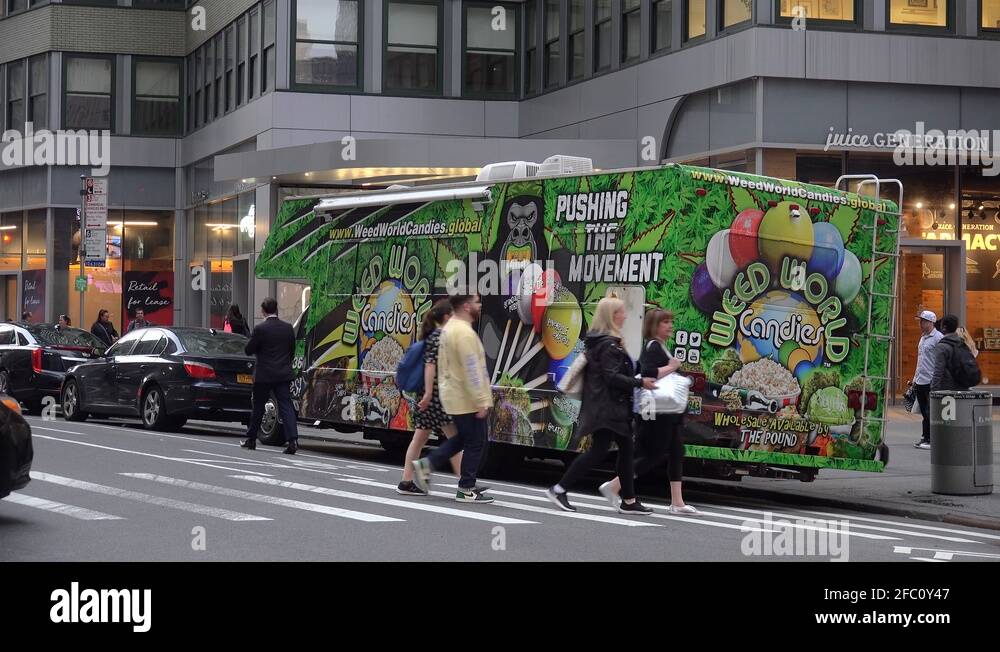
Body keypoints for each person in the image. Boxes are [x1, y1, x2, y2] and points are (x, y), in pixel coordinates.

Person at [545, 296, 657, 514]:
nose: (625, 315)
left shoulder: (606, 342)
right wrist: (640, 382)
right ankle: (559, 489)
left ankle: (629, 500)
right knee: (599, 451)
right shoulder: (608, 345)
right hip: (607, 409)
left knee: (625, 450)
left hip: (609, 407)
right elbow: (612, 377)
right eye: (621, 312)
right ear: (612, 316)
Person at [597, 309, 702, 515]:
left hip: (669, 411)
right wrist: (672, 367)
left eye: (671, 321)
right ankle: (615, 486)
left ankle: (677, 502)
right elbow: (647, 373)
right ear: (654, 326)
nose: (670, 325)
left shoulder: (661, 346)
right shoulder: (653, 347)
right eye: (665, 322)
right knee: (652, 454)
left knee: (676, 452)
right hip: (658, 410)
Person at [411, 294, 495, 503]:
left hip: (453, 394)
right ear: (466, 306)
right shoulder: (464, 333)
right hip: (466, 397)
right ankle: (466, 488)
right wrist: (482, 399)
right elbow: (472, 369)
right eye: (476, 302)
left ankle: (427, 465)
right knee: (476, 442)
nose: (479, 305)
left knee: (463, 439)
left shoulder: (449, 329)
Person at [397, 300, 462, 495]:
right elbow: (430, 366)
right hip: (436, 398)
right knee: (456, 440)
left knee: (420, 440)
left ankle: (406, 481)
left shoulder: (434, 336)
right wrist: (427, 393)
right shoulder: (440, 337)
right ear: (446, 317)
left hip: (431, 397)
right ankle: (465, 483)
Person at [241, 298, 299, 454]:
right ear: (276, 310)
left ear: (263, 311)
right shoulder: (288, 328)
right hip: (283, 373)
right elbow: (291, 351)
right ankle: (293, 440)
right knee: (286, 406)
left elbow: (249, 349)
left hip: (264, 375)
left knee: (259, 407)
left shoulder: (260, 329)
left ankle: (251, 439)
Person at [909, 310, 942, 450]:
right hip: (921, 380)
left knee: (930, 411)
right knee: (924, 411)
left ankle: (931, 439)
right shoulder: (922, 338)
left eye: (923, 321)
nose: (920, 324)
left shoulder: (938, 338)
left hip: (931, 381)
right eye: (920, 321)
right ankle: (925, 436)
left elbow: (941, 360)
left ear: (931, 322)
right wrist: (914, 379)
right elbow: (920, 360)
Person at [931, 315, 978, 392]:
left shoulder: (942, 346)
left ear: (944, 327)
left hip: (947, 389)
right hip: (963, 386)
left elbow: (938, 371)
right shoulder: (962, 343)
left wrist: (933, 390)